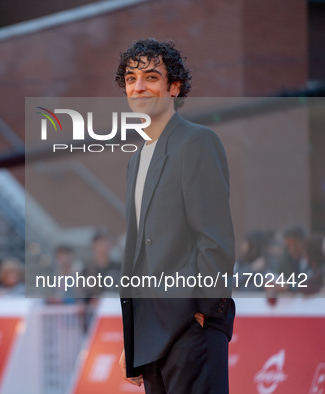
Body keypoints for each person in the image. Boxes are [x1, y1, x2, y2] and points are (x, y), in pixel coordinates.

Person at [115, 39, 235, 394]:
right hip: (152, 336)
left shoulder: (197, 141)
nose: (139, 86)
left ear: (174, 87)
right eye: (131, 78)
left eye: (151, 77)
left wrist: (204, 314)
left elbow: (215, 239)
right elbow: (140, 259)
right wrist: (134, 339)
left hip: (191, 328)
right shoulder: (136, 160)